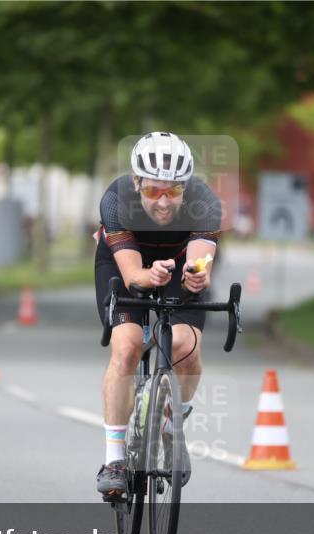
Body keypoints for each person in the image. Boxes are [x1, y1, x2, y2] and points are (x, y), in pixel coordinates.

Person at [94, 132, 221, 497]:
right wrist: (147, 276)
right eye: (153, 191)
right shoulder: (116, 200)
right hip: (124, 263)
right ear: (137, 183)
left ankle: (170, 425)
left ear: (186, 187)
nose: (164, 202)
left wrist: (197, 276)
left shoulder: (205, 202)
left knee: (186, 346)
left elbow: (200, 261)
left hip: (177, 262)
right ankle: (115, 460)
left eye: (173, 191)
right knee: (127, 347)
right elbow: (133, 276)